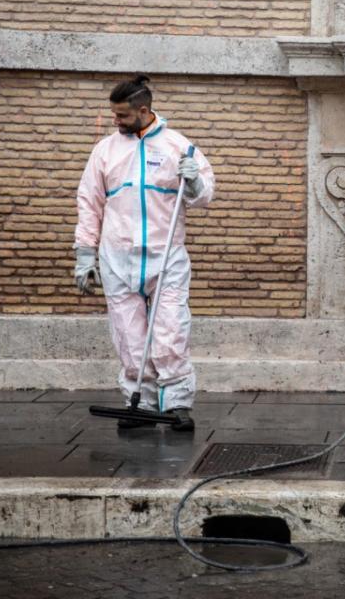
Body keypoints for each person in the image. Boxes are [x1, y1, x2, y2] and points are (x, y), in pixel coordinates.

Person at [74, 75, 215, 432]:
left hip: (165, 256)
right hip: (117, 258)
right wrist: (85, 255)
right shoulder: (105, 150)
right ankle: (140, 403)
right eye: (114, 115)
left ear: (143, 110)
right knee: (129, 335)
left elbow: (205, 196)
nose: (115, 122)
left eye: (122, 116)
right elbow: (89, 201)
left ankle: (176, 406)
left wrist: (195, 180)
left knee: (170, 331)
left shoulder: (178, 147)